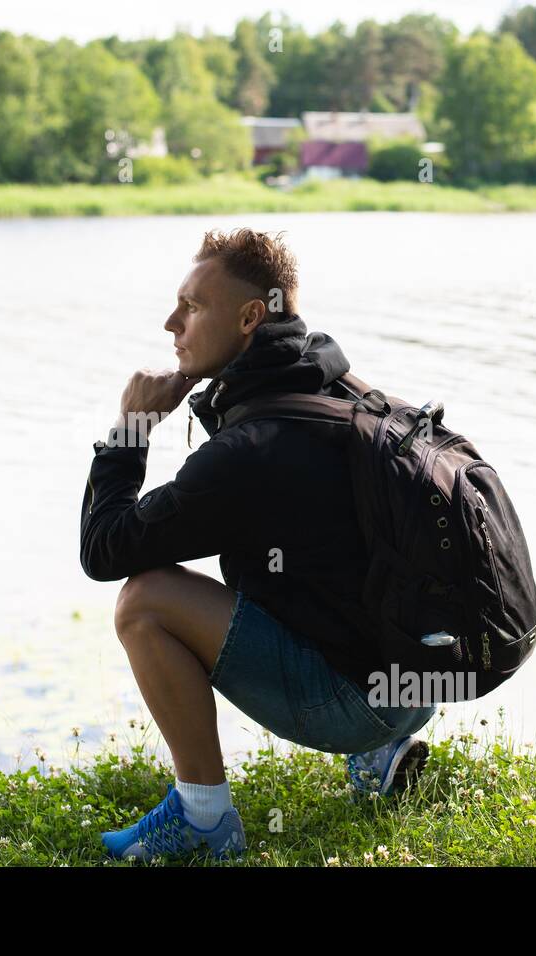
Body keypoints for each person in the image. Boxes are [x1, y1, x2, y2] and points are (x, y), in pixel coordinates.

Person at [79, 227, 438, 863]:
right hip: (419, 682)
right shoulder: (337, 384)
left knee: (146, 600)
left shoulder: (252, 448)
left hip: (355, 701)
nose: (171, 324)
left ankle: (203, 819)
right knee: (304, 558)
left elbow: (104, 550)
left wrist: (132, 427)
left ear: (250, 316)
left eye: (192, 306)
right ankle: (380, 754)